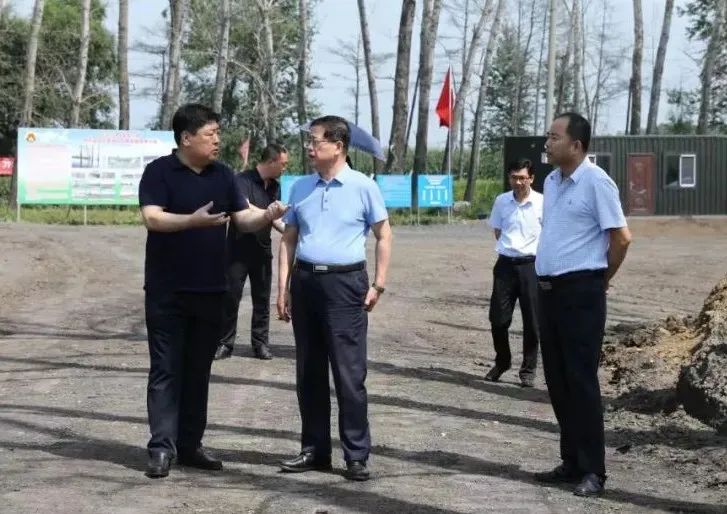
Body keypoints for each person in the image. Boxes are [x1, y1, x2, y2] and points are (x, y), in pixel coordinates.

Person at [138, 103, 287, 479]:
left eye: (218, 132)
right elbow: (152, 217)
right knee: (166, 369)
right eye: (211, 134)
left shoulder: (223, 175)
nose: (218, 140)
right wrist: (192, 221)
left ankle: (190, 445)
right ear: (186, 138)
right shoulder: (158, 172)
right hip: (167, 291)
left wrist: (267, 214)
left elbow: (243, 217)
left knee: (198, 370)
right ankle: (161, 447)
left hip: (210, 290)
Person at [276, 115, 392, 481]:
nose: (309, 148)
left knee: (348, 373)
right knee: (309, 371)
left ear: (338, 146)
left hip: (346, 285)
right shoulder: (300, 187)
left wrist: (378, 284)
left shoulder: (363, 187)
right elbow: (288, 239)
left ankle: (356, 454)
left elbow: (384, 235)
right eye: (309, 142)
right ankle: (314, 450)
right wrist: (283, 288)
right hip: (306, 282)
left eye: (315, 141)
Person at [534, 112, 631, 497]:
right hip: (548, 292)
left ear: (576, 145)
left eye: (554, 137)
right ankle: (571, 461)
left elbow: (621, 238)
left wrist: (601, 278)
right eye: (548, 136)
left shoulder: (596, 182)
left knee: (581, 381)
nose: (547, 143)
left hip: (581, 293)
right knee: (558, 381)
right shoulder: (552, 181)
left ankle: (594, 470)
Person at [214, 143, 289, 361]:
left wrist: (292, 231)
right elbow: (244, 208)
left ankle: (260, 344)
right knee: (231, 298)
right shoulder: (241, 180)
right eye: (283, 164)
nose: (285, 168)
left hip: (262, 250)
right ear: (272, 161)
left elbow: (275, 219)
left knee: (262, 300)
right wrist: (270, 212)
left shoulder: (275, 186)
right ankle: (224, 343)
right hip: (237, 249)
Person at [484, 159, 543, 388]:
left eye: (522, 178)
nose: (518, 182)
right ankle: (503, 361)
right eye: (514, 178)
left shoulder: (542, 203)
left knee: (533, 322)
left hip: (532, 266)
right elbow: (498, 231)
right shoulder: (502, 201)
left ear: (531, 178)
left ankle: (528, 370)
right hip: (505, 265)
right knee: (498, 319)